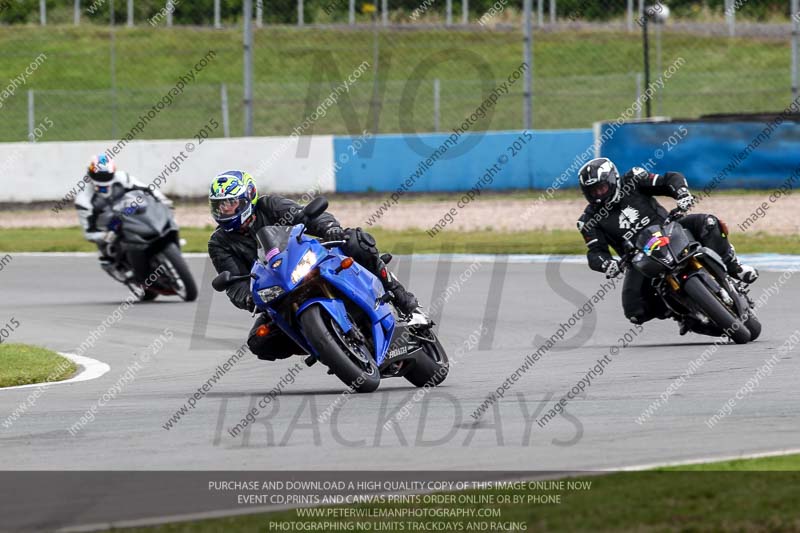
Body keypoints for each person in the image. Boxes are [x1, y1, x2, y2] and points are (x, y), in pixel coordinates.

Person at [207, 170, 420, 361]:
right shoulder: (219, 243)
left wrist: (329, 228)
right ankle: (324, 343)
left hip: (304, 261)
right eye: (220, 206)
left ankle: (399, 295)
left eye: (230, 203)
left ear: (247, 199)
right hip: (277, 289)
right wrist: (247, 298)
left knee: (356, 241)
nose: (225, 211)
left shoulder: (269, 205)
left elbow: (305, 215)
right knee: (259, 341)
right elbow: (233, 282)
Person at [576, 157, 758, 334]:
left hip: (671, 230)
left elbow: (670, 178)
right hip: (639, 258)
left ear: (613, 180)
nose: (598, 194)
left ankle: (734, 267)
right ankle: (680, 313)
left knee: (708, 223)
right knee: (634, 311)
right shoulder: (588, 221)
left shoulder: (633, 179)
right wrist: (608, 264)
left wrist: (682, 194)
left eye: (601, 188)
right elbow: (595, 253)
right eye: (593, 191)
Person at [75, 154, 172, 294]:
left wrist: (164, 201)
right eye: (99, 176)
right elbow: (88, 232)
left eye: (106, 176)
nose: (103, 180)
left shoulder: (122, 178)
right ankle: (124, 272)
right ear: (90, 174)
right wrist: (104, 235)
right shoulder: (84, 200)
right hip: (108, 228)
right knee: (109, 251)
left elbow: (147, 189)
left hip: (129, 213)